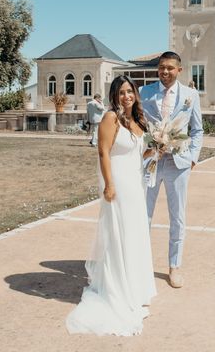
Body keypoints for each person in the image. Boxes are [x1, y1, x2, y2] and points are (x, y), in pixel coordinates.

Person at [66, 76, 156, 336]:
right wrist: (109, 184)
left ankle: (135, 288)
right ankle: (118, 290)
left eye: (130, 91)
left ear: (135, 94)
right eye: (121, 92)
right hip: (119, 185)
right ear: (114, 95)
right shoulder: (110, 118)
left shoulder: (138, 120)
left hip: (137, 184)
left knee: (135, 235)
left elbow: (138, 153)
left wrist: (157, 148)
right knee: (120, 236)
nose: (126, 96)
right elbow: (103, 151)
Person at [139, 51, 203, 288]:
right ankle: (140, 264)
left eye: (170, 68)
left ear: (179, 70)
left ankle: (174, 266)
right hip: (151, 162)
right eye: (161, 68)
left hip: (179, 164)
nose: (165, 72)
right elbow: (136, 122)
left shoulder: (191, 95)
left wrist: (193, 158)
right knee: (143, 215)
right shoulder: (144, 92)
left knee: (177, 217)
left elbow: (197, 129)